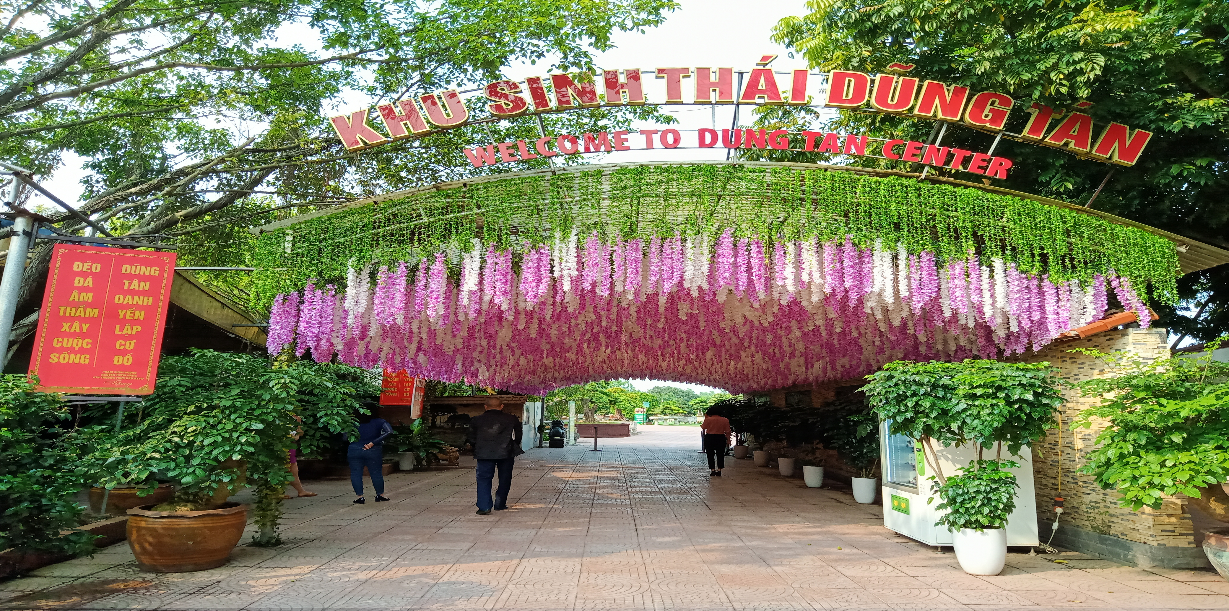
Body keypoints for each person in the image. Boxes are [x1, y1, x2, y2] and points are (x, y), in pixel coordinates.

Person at [466, 396, 522, 515]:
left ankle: (484, 506)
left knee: (483, 479)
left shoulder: (476, 420)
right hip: (506, 452)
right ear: (502, 406)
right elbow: (518, 435)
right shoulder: (511, 419)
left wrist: (477, 447)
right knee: (505, 478)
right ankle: (500, 504)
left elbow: (471, 438)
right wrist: (513, 445)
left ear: (485, 407)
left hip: (484, 453)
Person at [348, 407, 393, 504]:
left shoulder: (352, 422)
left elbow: (344, 436)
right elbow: (389, 431)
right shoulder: (379, 421)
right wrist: (373, 442)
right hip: (373, 450)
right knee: (376, 473)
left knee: (356, 473)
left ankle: (360, 497)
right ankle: (380, 495)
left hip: (354, 449)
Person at [284, 414, 316, 499]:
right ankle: (278, 491)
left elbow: (300, 433)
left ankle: (300, 491)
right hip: (283, 444)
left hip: (291, 444)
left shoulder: (296, 417)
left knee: (293, 468)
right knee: (287, 468)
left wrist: (298, 426)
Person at [701, 407, 732, 477]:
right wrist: (729, 440)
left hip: (709, 437)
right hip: (720, 437)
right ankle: (719, 470)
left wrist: (706, 417)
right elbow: (727, 431)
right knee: (720, 454)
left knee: (710, 454)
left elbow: (703, 427)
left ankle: (712, 470)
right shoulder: (725, 420)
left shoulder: (708, 419)